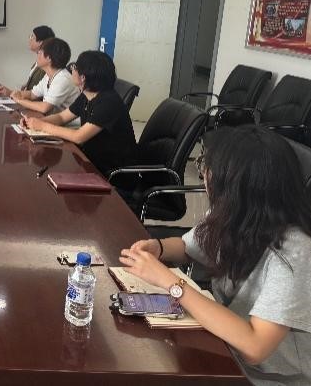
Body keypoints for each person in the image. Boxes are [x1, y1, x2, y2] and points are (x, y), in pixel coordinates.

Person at [119, 126, 311, 385]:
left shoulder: (297, 252)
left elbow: (255, 347)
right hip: (221, 343)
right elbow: (188, 247)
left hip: (265, 377)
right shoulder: (234, 213)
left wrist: (171, 283)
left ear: (237, 186)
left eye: (207, 168)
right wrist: (159, 247)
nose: (204, 175)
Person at [22, 50, 136, 176]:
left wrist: (42, 126)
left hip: (110, 170)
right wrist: (36, 122)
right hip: (89, 158)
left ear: (83, 77)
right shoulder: (87, 94)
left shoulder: (108, 103)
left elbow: (78, 136)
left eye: (75, 67)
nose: (72, 70)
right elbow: (62, 117)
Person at [8, 38, 79, 115]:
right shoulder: (49, 75)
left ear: (49, 58)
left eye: (39, 52)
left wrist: (19, 100)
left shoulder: (63, 79)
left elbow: (44, 108)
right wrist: (17, 94)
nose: (37, 55)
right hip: (52, 119)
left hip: (68, 122)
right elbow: (32, 94)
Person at [0, 25, 54, 96]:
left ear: (40, 42)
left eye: (32, 37)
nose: (29, 39)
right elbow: (32, 92)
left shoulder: (45, 66)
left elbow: (36, 96)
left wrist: (10, 93)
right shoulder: (38, 63)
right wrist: (13, 92)